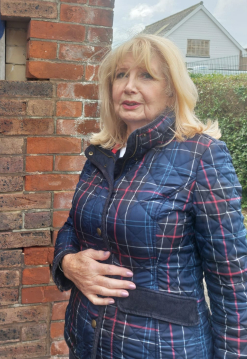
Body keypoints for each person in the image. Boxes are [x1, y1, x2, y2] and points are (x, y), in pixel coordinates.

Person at [52, 34, 247, 359]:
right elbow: (72, 227)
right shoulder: (102, 154)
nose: (129, 86)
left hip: (163, 347)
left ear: (171, 89)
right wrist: (67, 263)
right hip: (88, 341)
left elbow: (232, 278)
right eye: (120, 75)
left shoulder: (201, 156)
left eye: (146, 75)